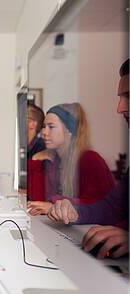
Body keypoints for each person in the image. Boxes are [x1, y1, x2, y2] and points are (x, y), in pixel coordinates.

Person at [47, 59, 129, 259]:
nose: (119, 108)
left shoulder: (89, 159)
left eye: (128, 96)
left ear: (69, 130)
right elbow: (112, 206)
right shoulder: (58, 161)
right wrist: (74, 212)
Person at [27, 102, 115, 215]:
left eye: (51, 127)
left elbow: (100, 204)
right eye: (44, 127)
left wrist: (54, 205)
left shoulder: (90, 159)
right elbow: (37, 200)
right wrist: (36, 160)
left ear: (69, 130)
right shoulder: (55, 160)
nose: (44, 132)